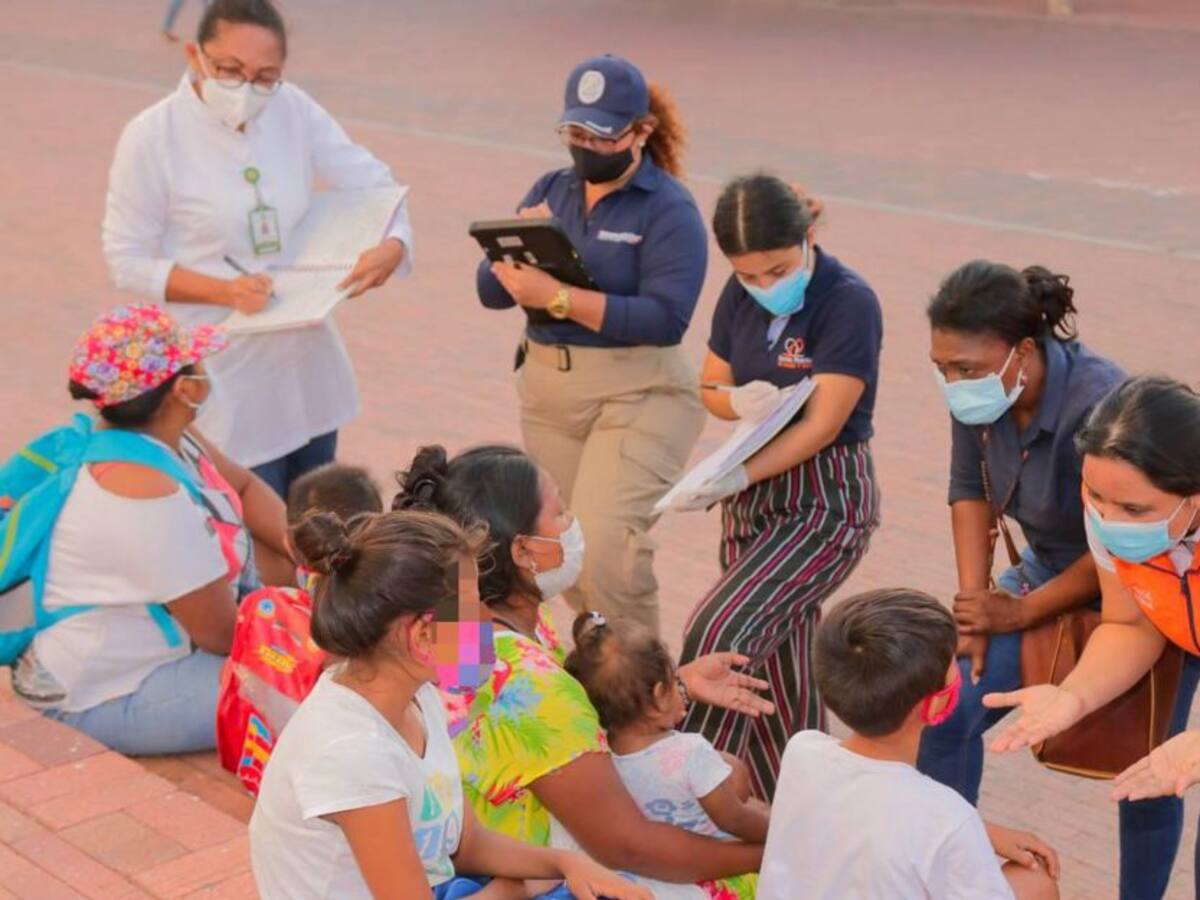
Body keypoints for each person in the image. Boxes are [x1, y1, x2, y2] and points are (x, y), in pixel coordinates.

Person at [394, 445, 769, 899]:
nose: (573, 524)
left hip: (488, 866)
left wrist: (672, 686)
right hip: (536, 878)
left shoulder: (466, 629)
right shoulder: (529, 680)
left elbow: (549, 727)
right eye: (561, 512)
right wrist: (769, 851)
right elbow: (627, 847)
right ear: (525, 550)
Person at [250, 509, 648, 900]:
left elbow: (464, 842)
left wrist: (567, 864)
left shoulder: (414, 695)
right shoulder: (353, 753)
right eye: (472, 606)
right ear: (422, 636)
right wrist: (512, 890)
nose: (486, 617)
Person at [103, 0, 412, 500]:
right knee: (257, 539)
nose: (248, 88)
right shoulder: (152, 137)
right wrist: (226, 291)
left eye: (266, 77)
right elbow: (127, 258)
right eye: (230, 70)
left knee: (317, 527)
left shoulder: (292, 109)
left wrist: (395, 244)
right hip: (227, 374)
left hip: (303, 361)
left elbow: (372, 184)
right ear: (193, 56)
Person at [474, 54, 708, 634]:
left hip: (637, 392)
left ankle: (643, 696)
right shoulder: (552, 189)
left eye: (602, 135)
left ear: (641, 131)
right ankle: (595, 670)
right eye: (575, 133)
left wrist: (555, 297)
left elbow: (666, 318)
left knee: (607, 550)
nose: (586, 147)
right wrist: (518, 245)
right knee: (560, 555)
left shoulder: (668, 209)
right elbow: (490, 291)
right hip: (551, 393)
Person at [677, 175, 882, 799]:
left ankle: (697, 796)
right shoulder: (738, 297)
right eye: (749, 275)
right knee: (780, 682)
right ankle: (789, 818)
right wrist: (733, 401)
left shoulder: (847, 300)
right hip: (752, 501)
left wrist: (734, 473)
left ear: (808, 238)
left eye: (777, 270)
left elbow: (823, 425)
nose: (765, 286)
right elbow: (710, 386)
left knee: (722, 633)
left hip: (822, 501)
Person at [11, 304, 287, 755]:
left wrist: (300, 549)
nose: (206, 375)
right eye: (198, 365)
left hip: (144, 646)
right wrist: (305, 632)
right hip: (103, 693)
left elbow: (246, 485)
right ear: (183, 390)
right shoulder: (144, 494)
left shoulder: (160, 440)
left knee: (294, 588)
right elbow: (219, 634)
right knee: (318, 689)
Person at [987, 375, 1200, 899]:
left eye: (1132, 510)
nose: (1106, 519)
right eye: (1095, 496)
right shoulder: (1114, 510)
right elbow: (1131, 623)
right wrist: (1074, 696)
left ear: (1193, 501)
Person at [757, 588, 1061, 900]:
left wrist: (983, 833)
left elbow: (876, 809)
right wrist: (969, 833)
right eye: (954, 662)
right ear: (937, 705)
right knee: (1035, 882)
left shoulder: (802, 751)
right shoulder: (947, 816)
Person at [565, 610, 770, 854]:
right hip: (707, 867)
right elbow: (735, 820)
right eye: (675, 681)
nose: (680, 688)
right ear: (660, 694)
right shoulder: (690, 753)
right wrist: (780, 833)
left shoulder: (598, 754)